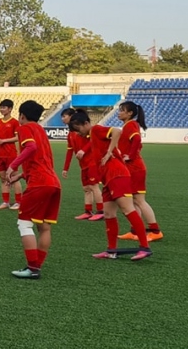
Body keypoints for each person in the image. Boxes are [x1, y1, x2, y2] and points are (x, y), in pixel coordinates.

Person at [67, 110, 152, 261]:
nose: (78, 133)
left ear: (86, 123)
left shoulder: (97, 129)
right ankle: (111, 250)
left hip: (117, 174)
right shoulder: (91, 135)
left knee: (127, 209)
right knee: (108, 214)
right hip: (107, 178)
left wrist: (109, 151)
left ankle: (144, 247)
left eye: (78, 129)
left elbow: (117, 131)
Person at [4, 101, 61, 279]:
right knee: (44, 227)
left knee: (24, 224)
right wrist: (21, 175)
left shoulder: (25, 128)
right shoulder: (41, 131)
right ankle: (36, 267)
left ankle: (32, 268)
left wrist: (12, 166)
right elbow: (41, 159)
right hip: (53, 183)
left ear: (21, 115)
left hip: (39, 183)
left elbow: (31, 148)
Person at [115, 101, 163, 242]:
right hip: (131, 168)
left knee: (139, 200)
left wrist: (130, 155)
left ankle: (155, 230)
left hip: (135, 168)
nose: (119, 112)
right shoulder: (128, 125)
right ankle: (135, 230)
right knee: (135, 201)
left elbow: (136, 139)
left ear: (129, 113)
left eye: (122, 110)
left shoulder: (131, 125)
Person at [60, 108, 104, 221]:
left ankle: (101, 211)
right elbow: (69, 151)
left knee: (94, 186)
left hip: (92, 162)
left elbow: (93, 141)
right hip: (83, 165)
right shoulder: (70, 134)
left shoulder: (87, 130)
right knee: (86, 188)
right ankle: (88, 211)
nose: (62, 119)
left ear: (72, 117)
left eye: (64, 116)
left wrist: (83, 150)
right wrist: (65, 168)